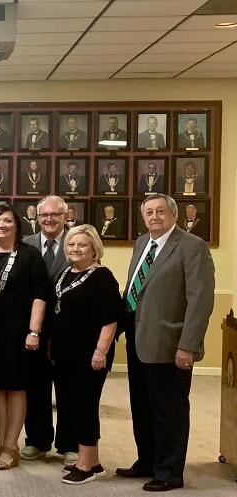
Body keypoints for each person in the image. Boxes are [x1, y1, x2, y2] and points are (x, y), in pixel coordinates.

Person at [118, 193, 215, 492]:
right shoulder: (141, 243)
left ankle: (169, 471)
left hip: (170, 344)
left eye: (161, 211)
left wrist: (188, 345)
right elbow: (138, 288)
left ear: (173, 215)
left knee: (169, 410)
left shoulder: (192, 247)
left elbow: (200, 301)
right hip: (138, 339)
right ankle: (147, 461)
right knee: (142, 406)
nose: (154, 216)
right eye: (149, 212)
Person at [0, 204, 49, 470]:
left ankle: (12, 446)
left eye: (7, 221)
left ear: (17, 226)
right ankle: (0, 444)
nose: (2, 225)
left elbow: (41, 295)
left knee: (16, 388)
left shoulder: (30, 255)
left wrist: (34, 331)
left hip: (20, 333)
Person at [48, 225, 120, 484]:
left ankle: (85, 465)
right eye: (71, 244)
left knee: (85, 407)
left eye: (82, 245)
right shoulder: (66, 272)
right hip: (65, 354)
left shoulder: (102, 277)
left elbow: (110, 319)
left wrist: (101, 352)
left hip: (90, 356)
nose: (75, 249)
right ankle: (94, 461)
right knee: (71, 406)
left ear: (94, 249)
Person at [21, 196, 75, 465]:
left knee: (67, 389)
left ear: (66, 216)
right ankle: (37, 440)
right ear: (37, 218)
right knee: (35, 387)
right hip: (34, 330)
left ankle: (69, 444)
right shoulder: (27, 245)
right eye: (44, 215)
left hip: (68, 331)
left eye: (55, 214)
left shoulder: (78, 241)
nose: (49, 220)